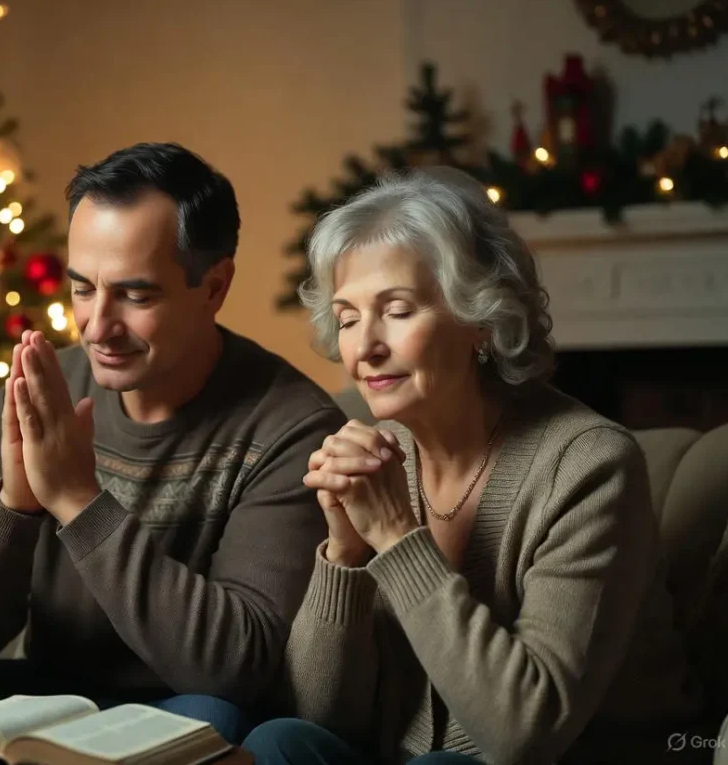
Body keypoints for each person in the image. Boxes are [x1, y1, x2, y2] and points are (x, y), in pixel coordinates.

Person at [0, 143, 347, 743]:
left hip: (182, 704)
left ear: (214, 286)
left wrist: (79, 504)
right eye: (82, 288)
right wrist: (15, 504)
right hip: (52, 692)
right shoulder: (42, 393)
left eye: (136, 296)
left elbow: (232, 666)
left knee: (213, 720)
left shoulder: (292, 428)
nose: (97, 326)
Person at [243, 168, 703, 764]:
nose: (364, 347)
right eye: (349, 317)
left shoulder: (590, 465)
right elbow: (321, 715)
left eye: (398, 310)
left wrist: (396, 538)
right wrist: (344, 555)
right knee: (277, 741)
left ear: (480, 321)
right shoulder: (384, 452)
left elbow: (522, 735)